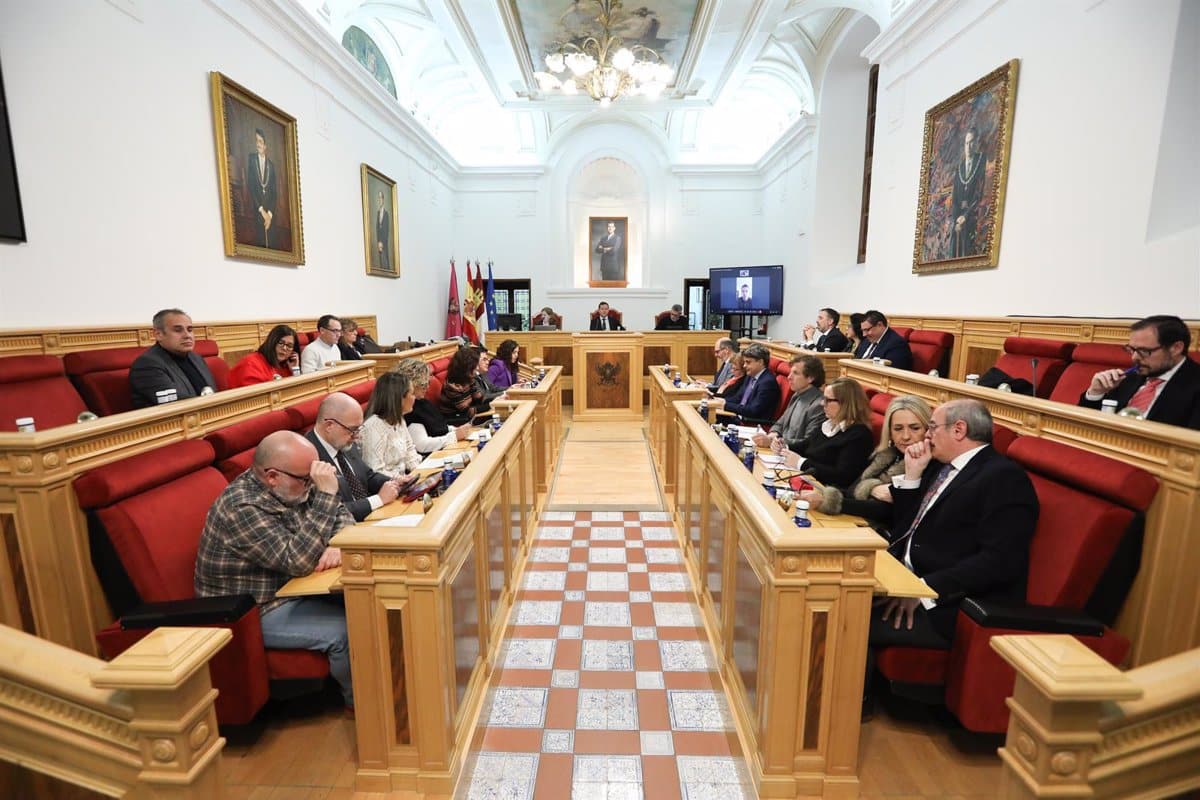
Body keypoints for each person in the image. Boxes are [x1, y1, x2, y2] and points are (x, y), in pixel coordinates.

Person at [194, 430, 355, 709]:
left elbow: (343, 515)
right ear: (271, 476)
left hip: (292, 587)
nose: (312, 486)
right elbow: (298, 561)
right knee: (348, 630)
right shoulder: (241, 506)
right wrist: (326, 497)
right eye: (307, 481)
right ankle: (367, 710)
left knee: (368, 604)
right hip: (255, 608)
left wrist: (337, 545)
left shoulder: (293, 478)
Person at [871, 398, 1038, 648]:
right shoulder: (941, 465)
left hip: (950, 603)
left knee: (846, 619)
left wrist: (923, 590)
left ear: (958, 430)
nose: (926, 436)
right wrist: (913, 475)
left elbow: (999, 560)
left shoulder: (1003, 477)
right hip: (903, 579)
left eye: (932, 428)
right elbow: (906, 528)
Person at [800, 395, 932, 527]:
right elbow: (852, 490)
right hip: (854, 523)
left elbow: (886, 511)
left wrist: (826, 501)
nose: (905, 436)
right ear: (890, 432)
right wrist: (871, 488)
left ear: (927, 430)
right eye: (898, 429)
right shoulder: (885, 454)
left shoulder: (927, 465)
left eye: (915, 428)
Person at [1079, 315, 1200, 430]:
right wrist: (1096, 393)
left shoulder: (1194, 383)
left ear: (1176, 348)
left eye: (1144, 351)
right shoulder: (1129, 378)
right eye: (1131, 349)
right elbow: (1084, 428)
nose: (1134, 358)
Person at [305, 392, 404, 522]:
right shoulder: (307, 458)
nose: (357, 436)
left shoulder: (343, 441)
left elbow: (367, 477)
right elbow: (330, 513)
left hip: (375, 517)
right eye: (352, 430)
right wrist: (378, 499)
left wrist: (395, 482)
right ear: (329, 425)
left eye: (358, 429)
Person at [775, 377, 873, 490]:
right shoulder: (828, 424)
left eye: (828, 400)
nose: (822, 403)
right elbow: (806, 445)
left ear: (845, 403)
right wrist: (784, 446)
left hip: (824, 492)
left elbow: (842, 476)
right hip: (806, 482)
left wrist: (802, 463)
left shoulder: (859, 435)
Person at [129, 308, 218, 408]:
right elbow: (177, 406)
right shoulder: (147, 365)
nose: (187, 335)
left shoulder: (196, 358)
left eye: (190, 330)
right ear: (159, 335)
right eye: (178, 330)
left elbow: (211, 394)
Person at [396, 358, 471, 454]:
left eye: (428, 382)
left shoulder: (423, 402)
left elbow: (439, 426)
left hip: (447, 446)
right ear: (412, 384)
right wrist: (454, 436)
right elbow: (422, 445)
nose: (427, 387)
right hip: (435, 454)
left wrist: (456, 430)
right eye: (423, 384)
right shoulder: (409, 409)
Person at [752, 355, 825, 452]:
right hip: (778, 451)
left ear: (810, 378)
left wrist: (773, 442)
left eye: (795, 373)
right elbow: (780, 424)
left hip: (793, 457)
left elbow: (807, 442)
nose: (789, 377)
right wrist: (771, 437)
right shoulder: (797, 395)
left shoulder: (819, 405)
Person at [360, 371, 424, 481]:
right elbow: (375, 471)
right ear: (400, 398)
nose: (415, 398)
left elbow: (410, 451)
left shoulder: (399, 419)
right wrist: (402, 479)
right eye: (412, 394)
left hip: (405, 481)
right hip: (386, 488)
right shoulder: (373, 427)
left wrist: (421, 473)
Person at [710, 343, 779, 424]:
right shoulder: (750, 376)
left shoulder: (767, 382)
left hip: (751, 423)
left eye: (748, 362)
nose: (745, 366)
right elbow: (738, 398)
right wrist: (720, 401)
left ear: (760, 362)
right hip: (739, 417)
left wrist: (725, 405)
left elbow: (753, 411)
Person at [950, 127, 986, 259]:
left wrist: (965, 216)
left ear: (976, 143)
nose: (968, 147)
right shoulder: (959, 168)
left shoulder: (981, 161)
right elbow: (954, 200)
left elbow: (979, 193)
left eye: (971, 142)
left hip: (973, 214)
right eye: (966, 143)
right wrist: (956, 220)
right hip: (958, 218)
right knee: (954, 242)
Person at [229, 324, 299, 387]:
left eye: (289, 346)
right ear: (272, 342)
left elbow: (296, 392)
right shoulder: (251, 363)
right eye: (280, 343)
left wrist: (295, 369)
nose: (284, 348)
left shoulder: (285, 366)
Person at [247, 128, 278, 249]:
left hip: (270, 215)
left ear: (265, 146)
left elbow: (274, 193)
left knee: (271, 245)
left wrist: (269, 214)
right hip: (258, 210)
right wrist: (262, 211)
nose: (257, 144)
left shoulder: (271, 166)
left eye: (260, 141)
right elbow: (251, 186)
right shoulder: (251, 159)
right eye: (256, 141)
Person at [439, 347, 486, 426]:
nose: (477, 369)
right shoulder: (452, 386)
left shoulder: (468, 378)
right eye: (474, 367)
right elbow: (469, 412)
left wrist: (496, 400)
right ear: (466, 367)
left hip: (469, 418)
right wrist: (491, 404)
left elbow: (479, 399)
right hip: (456, 422)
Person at [373, 190, 390, 269]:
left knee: (385, 262)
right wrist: (378, 242)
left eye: (381, 198)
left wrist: (382, 242)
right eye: (379, 198)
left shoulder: (386, 214)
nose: (380, 200)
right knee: (381, 264)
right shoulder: (378, 213)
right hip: (379, 243)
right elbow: (377, 228)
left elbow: (386, 231)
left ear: (383, 199)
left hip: (384, 243)